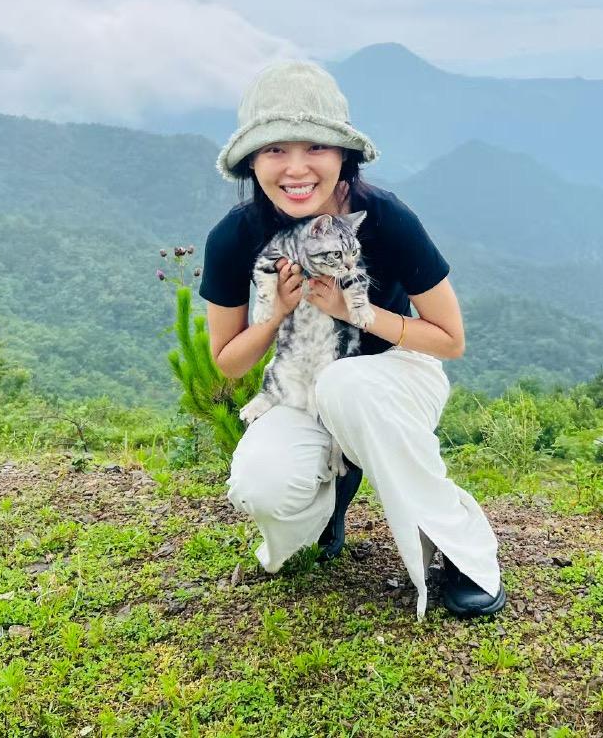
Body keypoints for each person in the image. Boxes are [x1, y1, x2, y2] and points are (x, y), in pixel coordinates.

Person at [198, 59, 506, 620]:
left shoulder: (386, 220)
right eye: (274, 150)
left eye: (314, 147)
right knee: (260, 485)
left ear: (343, 155)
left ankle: (462, 552)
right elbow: (228, 364)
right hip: (299, 389)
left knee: (348, 385)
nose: (295, 168)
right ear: (250, 160)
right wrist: (274, 316)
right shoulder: (235, 238)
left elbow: (450, 340)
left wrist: (352, 311)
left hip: (394, 380)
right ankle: (326, 505)